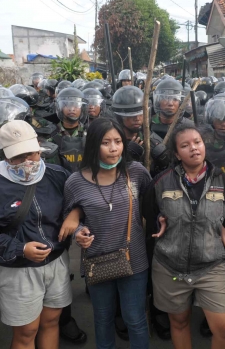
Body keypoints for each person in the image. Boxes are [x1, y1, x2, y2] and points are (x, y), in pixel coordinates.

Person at [0, 120, 79, 349]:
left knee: (51, 321)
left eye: (32, 154)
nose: (27, 162)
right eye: (18, 157)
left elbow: (80, 199)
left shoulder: (57, 175)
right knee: (27, 332)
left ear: (40, 149)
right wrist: (21, 249)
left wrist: (75, 215)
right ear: (5, 157)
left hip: (56, 263)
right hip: (18, 272)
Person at [143, 123, 225, 349]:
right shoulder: (162, 181)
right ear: (177, 154)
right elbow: (149, 213)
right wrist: (159, 221)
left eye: (197, 142)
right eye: (185, 146)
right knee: (179, 322)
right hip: (170, 267)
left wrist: (221, 226)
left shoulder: (222, 181)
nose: (194, 148)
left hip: (210, 266)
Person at [68, 118, 151, 349]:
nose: (113, 148)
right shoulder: (75, 182)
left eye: (118, 141)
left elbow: (153, 203)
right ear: (94, 145)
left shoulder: (135, 173)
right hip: (97, 260)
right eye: (106, 142)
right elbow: (70, 218)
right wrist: (78, 232)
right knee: (102, 319)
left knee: (135, 319)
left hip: (133, 259)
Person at [47, 87, 88, 172]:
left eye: (76, 105)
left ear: (82, 108)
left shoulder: (90, 132)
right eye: (67, 105)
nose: (72, 109)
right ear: (60, 107)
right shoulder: (50, 133)